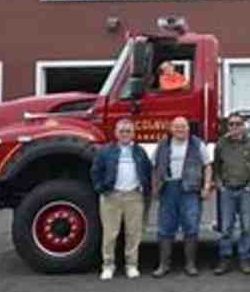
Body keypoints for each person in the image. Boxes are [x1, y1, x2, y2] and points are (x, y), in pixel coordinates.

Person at [90, 118, 152, 280]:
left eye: (128, 131)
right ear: (116, 133)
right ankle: (108, 265)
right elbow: (95, 171)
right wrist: (101, 189)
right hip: (112, 196)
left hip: (134, 196)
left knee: (133, 234)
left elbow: (147, 171)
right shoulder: (105, 151)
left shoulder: (140, 152)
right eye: (122, 131)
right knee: (110, 234)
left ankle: (131, 265)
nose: (125, 134)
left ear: (133, 133)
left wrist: (145, 190)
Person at [151, 116, 212, 278]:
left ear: (188, 128)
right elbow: (155, 167)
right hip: (168, 188)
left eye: (183, 127)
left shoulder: (197, 144)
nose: (180, 130)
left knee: (191, 226)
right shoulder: (163, 144)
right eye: (177, 127)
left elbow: (207, 166)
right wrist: (155, 188)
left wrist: (206, 186)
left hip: (190, 190)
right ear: (171, 129)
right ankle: (164, 265)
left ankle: (190, 265)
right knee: (165, 227)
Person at [213, 112, 250, 275]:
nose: (235, 127)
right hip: (227, 190)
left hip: (245, 191)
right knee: (226, 228)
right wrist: (220, 185)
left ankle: (245, 259)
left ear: (243, 126)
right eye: (231, 124)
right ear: (228, 126)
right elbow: (216, 167)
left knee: (246, 227)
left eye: (238, 124)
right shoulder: (221, 144)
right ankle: (224, 259)